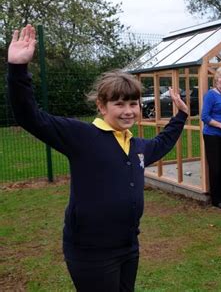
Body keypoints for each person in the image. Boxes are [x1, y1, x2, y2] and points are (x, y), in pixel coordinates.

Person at [7, 24, 188, 290]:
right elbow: (30, 117)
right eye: (119, 104)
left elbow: (161, 143)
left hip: (128, 246)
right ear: (101, 106)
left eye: (133, 104)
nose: (128, 111)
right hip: (91, 253)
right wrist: (18, 69)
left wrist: (181, 116)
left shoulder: (135, 146)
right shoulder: (82, 137)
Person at [201, 67, 221, 209]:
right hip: (213, 135)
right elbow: (205, 117)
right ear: (216, 79)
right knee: (216, 167)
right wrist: (220, 125)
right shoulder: (211, 95)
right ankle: (217, 199)